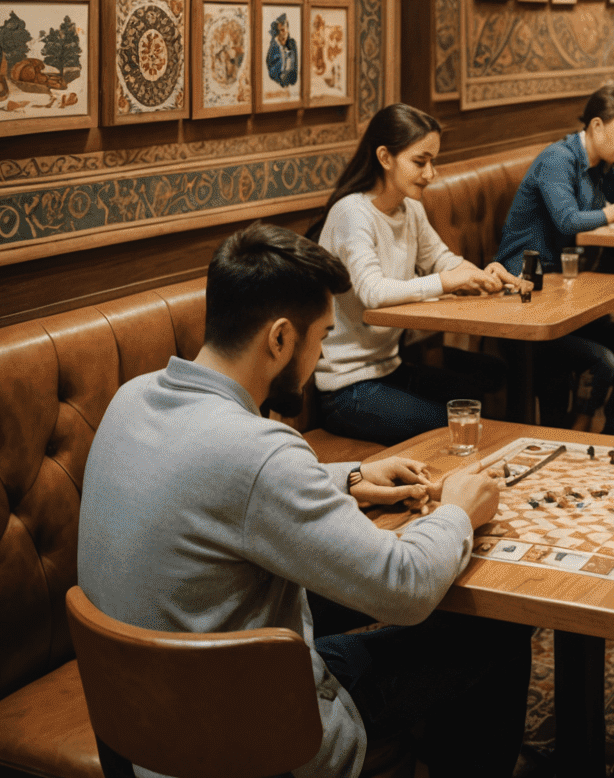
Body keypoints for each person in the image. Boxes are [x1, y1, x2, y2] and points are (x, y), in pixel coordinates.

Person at [76, 222, 531, 778]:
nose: (321, 354)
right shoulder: (261, 453)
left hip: (143, 731)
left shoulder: (132, 398)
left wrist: (345, 477)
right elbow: (404, 587)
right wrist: (460, 506)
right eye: (322, 336)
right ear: (279, 339)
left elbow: (221, 486)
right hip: (260, 742)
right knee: (495, 628)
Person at [311, 103, 507, 446]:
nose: (430, 174)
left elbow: (441, 259)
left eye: (433, 161)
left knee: (477, 394)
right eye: (420, 161)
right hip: (347, 388)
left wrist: (488, 276)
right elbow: (373, 292)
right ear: (385, 157)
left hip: (389, 368)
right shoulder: (352, 214)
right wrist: (448, 282)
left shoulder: (410, 208)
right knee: (456, 426)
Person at [491, 83, 614, 433]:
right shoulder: (558, 160)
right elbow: (569, 219)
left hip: (569, 292)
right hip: (526, 294)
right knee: (602, 360)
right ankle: (575, 430)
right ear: (595, 126)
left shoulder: (603, 166)